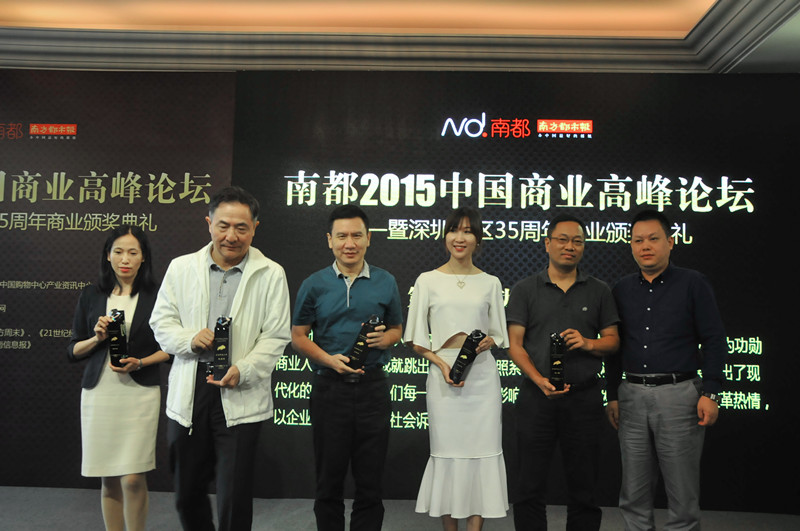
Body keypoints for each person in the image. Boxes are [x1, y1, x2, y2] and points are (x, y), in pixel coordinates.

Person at [150, 186, 291, 531]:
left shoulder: (271, 272)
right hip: (192, 386)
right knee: (187, 491)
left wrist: (244, 369)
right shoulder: (181, 268)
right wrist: (189, 339)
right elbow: (161, 322)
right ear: (209, 223)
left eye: (241, 227)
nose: (231, 236)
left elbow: (276, 335)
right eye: (223, 225)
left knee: (234, 493)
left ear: (255, 228)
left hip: (239, 387)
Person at [605, 210, 726, 531]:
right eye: (638, 240)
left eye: (653, 239)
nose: (645, 246)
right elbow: (614, 347)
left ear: (670, 242)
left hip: (680, 395)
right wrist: (612, 394)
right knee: (633, 493)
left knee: (682, 495)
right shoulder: (621, 289)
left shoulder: (693, 283)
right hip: (631, 396)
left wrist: (711, 391)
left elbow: (714, 339)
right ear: (631, 246)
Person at [291, 205, 403, 531]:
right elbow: (298, 337)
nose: (349, 243)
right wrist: (329, 359)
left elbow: (397, 329)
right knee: (329, 480)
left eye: (357, 235)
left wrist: (386, 339)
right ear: (330, 240)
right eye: (341, 236)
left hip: (373, 390)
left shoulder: (385, 281)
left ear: (369, 238)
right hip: (329, 389)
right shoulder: (314, 284)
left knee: (370, 481)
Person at [506, 213, 620, 531]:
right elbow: (515, 345)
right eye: (563, 240)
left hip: (584, 398)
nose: (570, 246)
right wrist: (539, 380)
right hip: (536, 397)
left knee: (585, 486)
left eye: (577, 241)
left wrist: (587, 343)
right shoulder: (525, 289)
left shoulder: (599, 290)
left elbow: (613, 341)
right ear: (547, 244)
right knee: (529, 485)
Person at [405, 207, 510, 531]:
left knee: (482, 453)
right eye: (454, 230)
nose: (459, 237)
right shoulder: (427, 281)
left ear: (478, 239)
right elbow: (415, 339)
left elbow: (499, 334)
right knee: (447, 453)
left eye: (467, 231)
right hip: (443, 378)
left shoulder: (491, 282)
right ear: (445, 236)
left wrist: (488, 342)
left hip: (482, 379)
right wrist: (441, 365)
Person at [67, 225, 170, 531]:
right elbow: (73, 349)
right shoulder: (91, 295)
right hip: (100, 393)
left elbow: (172, 348)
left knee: (134, 477)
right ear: (108, 256)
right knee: (109, 477)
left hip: (139, 394)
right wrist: (96, 338)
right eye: (119, 252)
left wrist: (141, 362)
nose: (125, 259)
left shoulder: (158, 296)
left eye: (133, 252)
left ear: (143, 257)